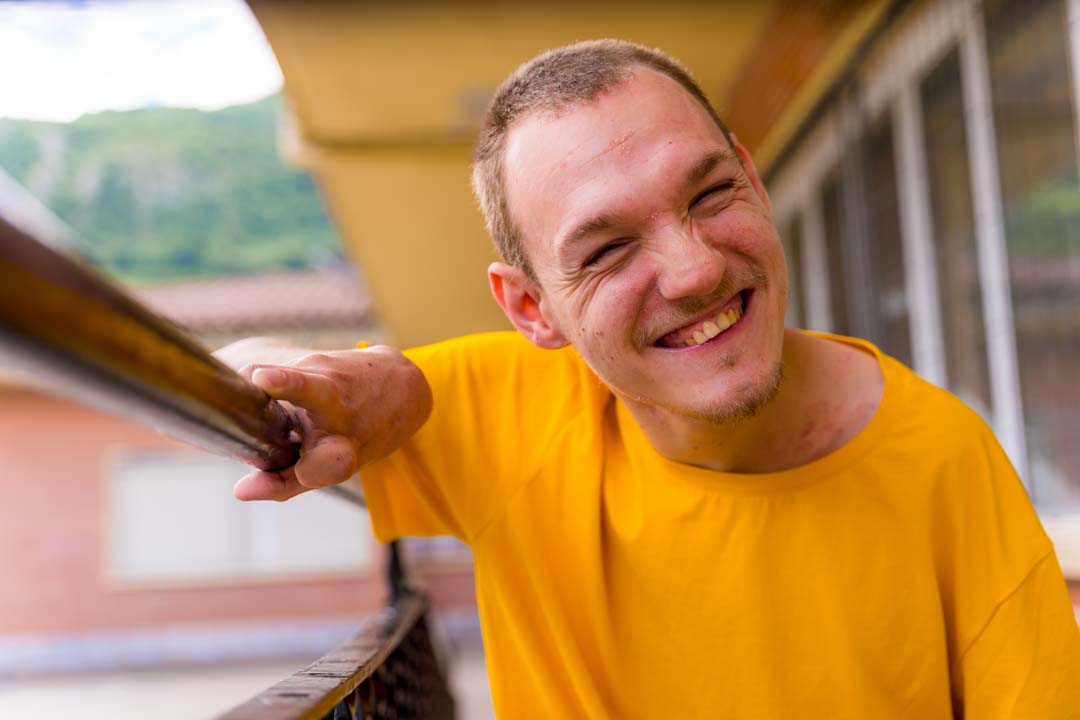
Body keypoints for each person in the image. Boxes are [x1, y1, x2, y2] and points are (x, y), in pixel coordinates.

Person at [217, 40, 1080, 718]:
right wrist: (365, 378)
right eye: (608, 249)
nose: (695, 271)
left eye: (710, 194)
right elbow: (205, 376)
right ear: (530, 309)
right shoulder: (498, 411)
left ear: (754, 178)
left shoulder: (946, 460)